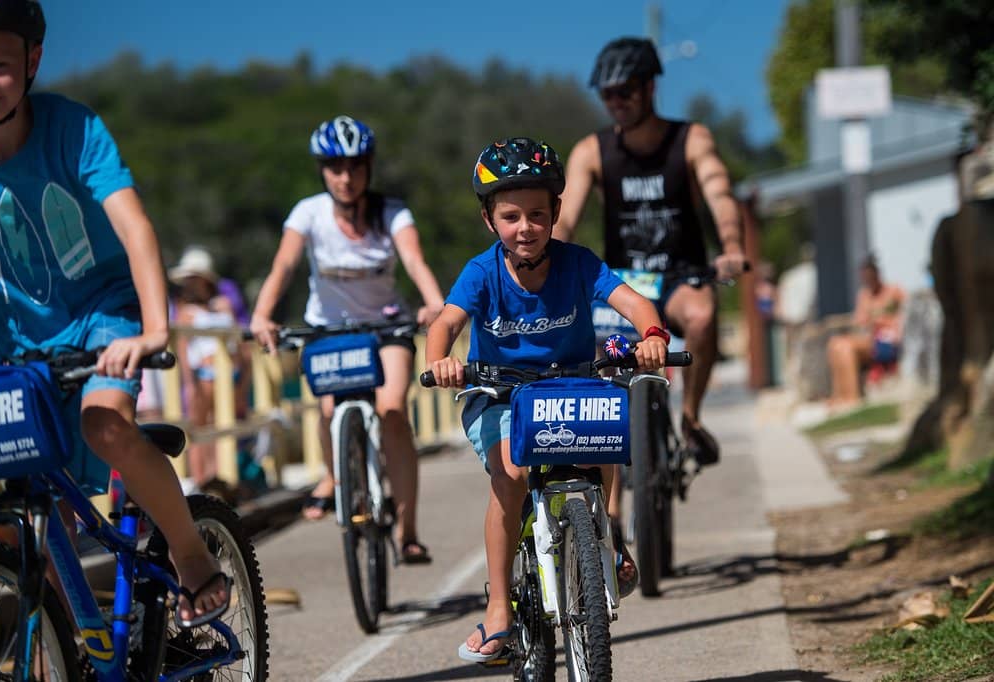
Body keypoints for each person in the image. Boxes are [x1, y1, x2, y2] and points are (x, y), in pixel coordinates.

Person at [0, 0, 228, 626]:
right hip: (10, 340)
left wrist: (155, 330)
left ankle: (191, 554)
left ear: (32, 61)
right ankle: (72, 646)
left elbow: (134, 226)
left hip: (99, 317)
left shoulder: (73, 129)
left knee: (104, 425)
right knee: (27, 510)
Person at [426, 137, 669, 661]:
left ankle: (605, 536)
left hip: (568, 388)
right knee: (511, 474)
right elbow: (445, 322)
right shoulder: (481, 272)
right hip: (498, 394)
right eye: (511, 216)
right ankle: (498, 606)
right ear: (489, 219)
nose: (526, 227)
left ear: (556, 212)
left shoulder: (579, 263)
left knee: (600, 434)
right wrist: (440, 359)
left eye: (538, 214)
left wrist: (652, 336)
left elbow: (635, 303)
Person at [250, 115, 445, 563]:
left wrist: (434, 302)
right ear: (322, 170)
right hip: (329, 329)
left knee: (392, 411)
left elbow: (414, 260)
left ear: (369, 167)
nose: (346, 178)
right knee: (326, 410)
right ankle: (334, 476)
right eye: (335, 168)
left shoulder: (392, 212)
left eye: (355, 167)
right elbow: (284, 265)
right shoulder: (308, 212)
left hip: (386, 327)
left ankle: (408, 531)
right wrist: (262, 315)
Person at [553, 36, 746, 470]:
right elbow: (564, 218)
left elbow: (719, 193)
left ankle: (691, 418)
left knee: (702, 316)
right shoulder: (591, 151)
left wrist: (732, 247)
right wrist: (548, 256)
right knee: (601, 383)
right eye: (607, 94)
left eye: (625, 91)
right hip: (621, 282)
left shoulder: (690, 139)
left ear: (650, 87)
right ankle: (613, 497)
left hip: (680, 275)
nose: (615, 102)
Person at [170, 246, 248, 488]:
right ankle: (202, 480)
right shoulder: (185, 312)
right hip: (204, 375)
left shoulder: (221, 305)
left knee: (218, 428)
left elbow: (237, 341)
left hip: (227, 374)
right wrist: (189, 382)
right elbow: (183, 349)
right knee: (200, 429)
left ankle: (217, 480)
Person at [825, 255, 905, 408]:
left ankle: (852, 397)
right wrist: (871, 321)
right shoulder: (864, 295)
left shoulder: (893, 291)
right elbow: (860, 321)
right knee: (834, 344)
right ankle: (838, 395)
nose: (867, 280)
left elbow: (906, 314)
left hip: (885, 342)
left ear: (876, 274)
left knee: (845, 347)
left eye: (870, 276)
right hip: (871, 338)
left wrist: (886, 322)